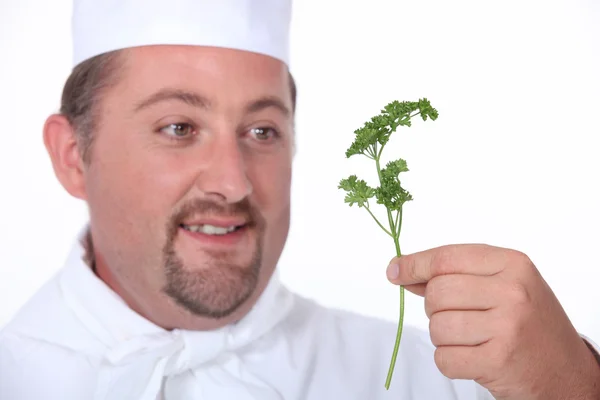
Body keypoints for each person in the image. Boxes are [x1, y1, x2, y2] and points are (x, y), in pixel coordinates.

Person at [1, 0, 599, 399]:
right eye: (179, 128)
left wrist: (575, 384)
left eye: (262, 132)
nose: (233, 184)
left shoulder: (430, 378)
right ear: (73, 155)